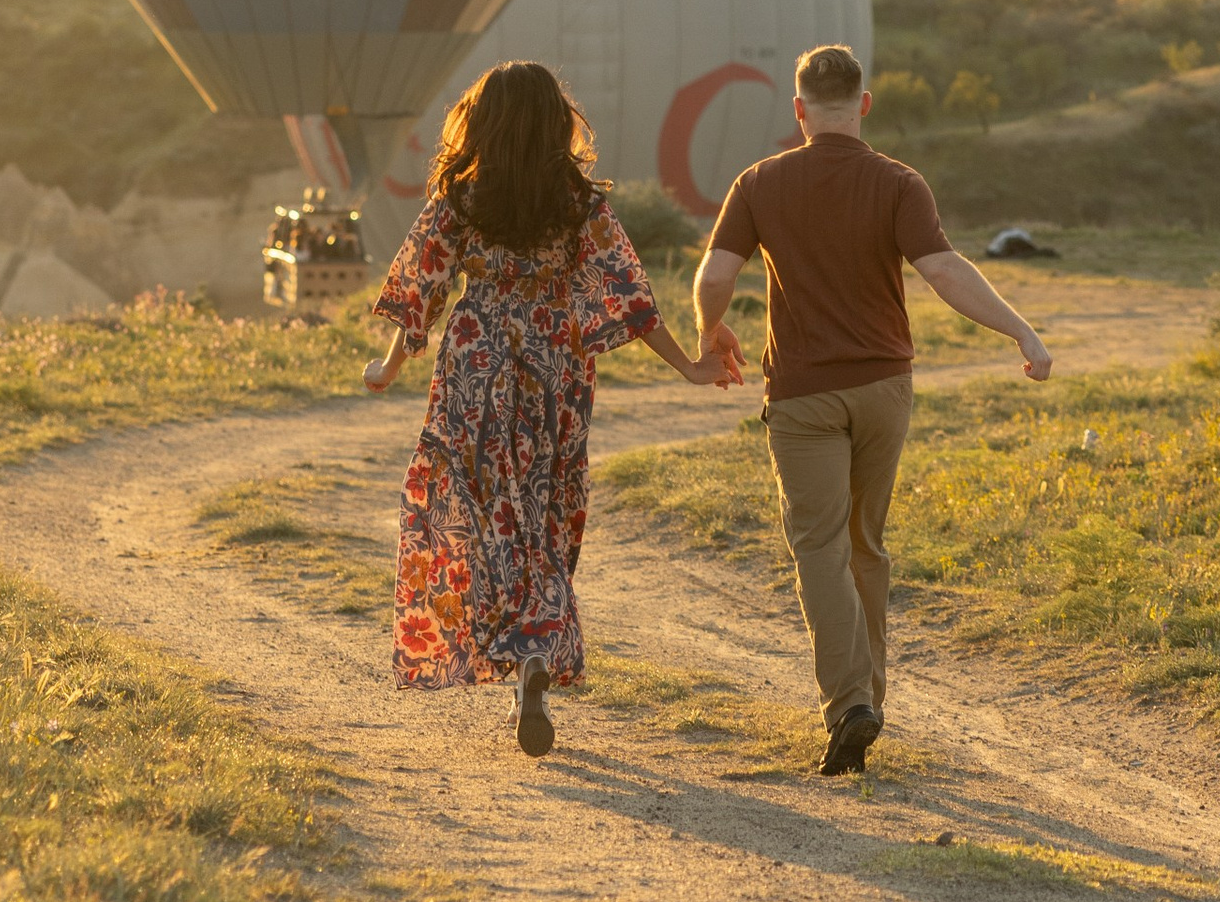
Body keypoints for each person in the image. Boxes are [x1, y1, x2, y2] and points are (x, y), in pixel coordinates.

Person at [362, 59, 742, 753]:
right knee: (542, 506)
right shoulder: (579, 203)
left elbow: (421, 289)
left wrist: (387, 368)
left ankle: (514, 644)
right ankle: (534, 649)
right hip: (555, 362)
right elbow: (629, 296)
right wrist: (689, 366)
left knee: (484, 508)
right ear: (554, 124)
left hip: (475, 360)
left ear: (482, 122)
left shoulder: (461, 198)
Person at [692, 40, 1049, 776]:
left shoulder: (759, 182)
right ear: (863, 104)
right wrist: (1022, 330)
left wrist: (709, 332)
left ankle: (850, 704)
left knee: (819, 547)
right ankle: (867, 702)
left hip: (803, 394)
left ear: (798, 110)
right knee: (865, 544)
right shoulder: (897, 182)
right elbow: (945, 271)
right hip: (885, 389)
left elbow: (717, 274)